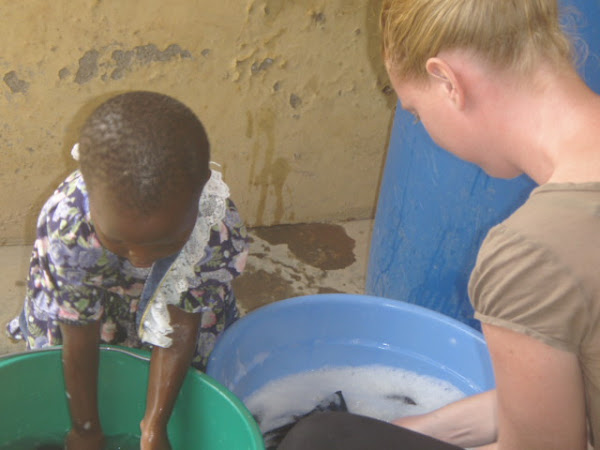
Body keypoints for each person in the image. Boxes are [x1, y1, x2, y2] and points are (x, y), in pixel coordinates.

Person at [279, 0, 600, 449]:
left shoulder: (532, 255)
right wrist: (412, 432)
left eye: (414, 110)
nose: (421, 124)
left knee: (315, 441)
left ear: (447, 81)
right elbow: (569, 396)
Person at [6, 91, 249, 450]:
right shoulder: (69, 227)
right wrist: (85, 429)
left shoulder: (214, 229)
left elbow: (181, 324)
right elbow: (79, 330)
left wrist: (153, 428)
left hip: (178, 301)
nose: (139, 259)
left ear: (199, 199)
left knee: (193, 364)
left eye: (163, 243)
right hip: (88, 294)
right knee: (63, 352)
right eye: (120, 241)